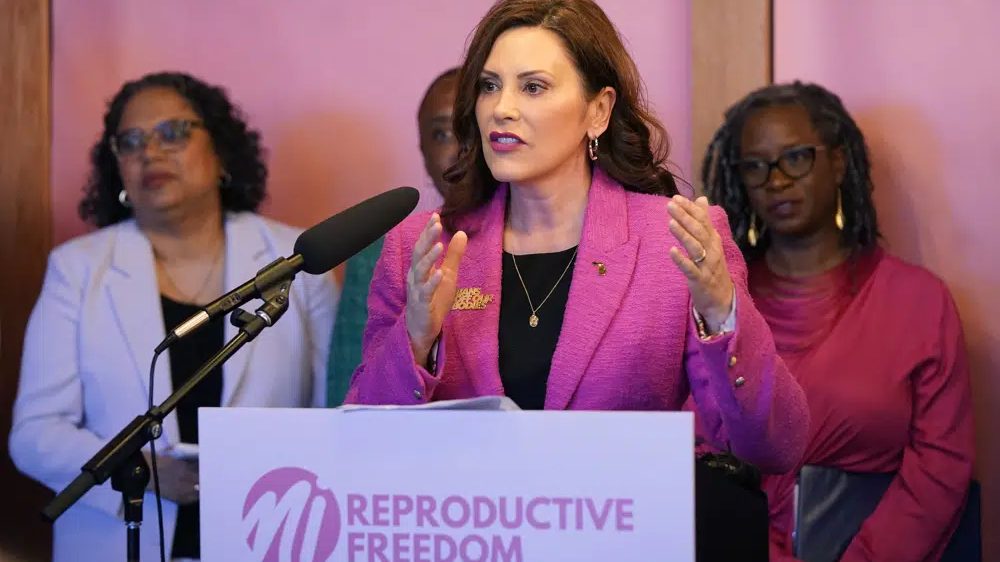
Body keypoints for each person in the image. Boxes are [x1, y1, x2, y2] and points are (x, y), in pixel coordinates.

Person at [347, 0, 807, 474]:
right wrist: (416, 339)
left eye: (533, 87)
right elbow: (362, 446)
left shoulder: (675, 240)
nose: (502, 109)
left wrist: (721, 313)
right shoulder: (423, 245)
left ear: (599, 111)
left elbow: (773, 448)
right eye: (490, 86)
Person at [9, 72, 337, 562]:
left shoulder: (297, 261)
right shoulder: (77, 270)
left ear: (221, 152)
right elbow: (35, 433)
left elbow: (334, 416)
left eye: (173, 133)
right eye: (131, 141)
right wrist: (138, 467)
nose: (150, 153)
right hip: (116, 541)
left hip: (269, 537)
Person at [702, 81, 974, 561]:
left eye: (796, 157)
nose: (777, 180)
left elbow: (941, 466)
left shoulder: (919, 301)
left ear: (838, 161)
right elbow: (700, 449)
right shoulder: (721, 303)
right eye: (756, 166)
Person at [327, 68, 460, 405]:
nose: (460, 149)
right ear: (423, 151)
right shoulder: (380, 252)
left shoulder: (542, 238)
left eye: (471, 128)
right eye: (442, 134)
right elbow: (346, 399)